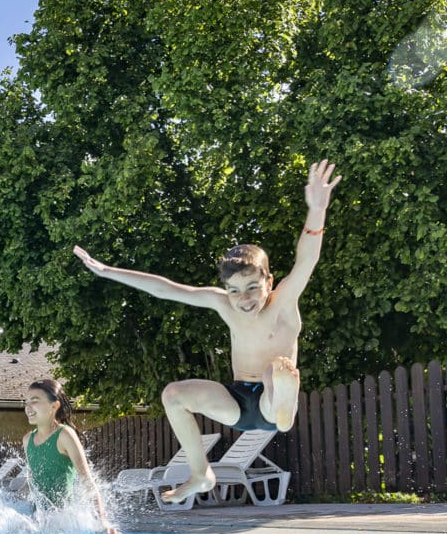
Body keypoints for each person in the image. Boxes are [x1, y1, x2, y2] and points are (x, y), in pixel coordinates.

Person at [73, 159, 340, 504]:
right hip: (238, 401)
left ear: (268, 282)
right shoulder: (223, 304)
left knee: (277, 369)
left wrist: (317, 210)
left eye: (252, 288)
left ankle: (282, 409)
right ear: (225, 289)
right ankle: (201, 474)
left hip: (269, 398)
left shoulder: (284, 300)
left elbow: (307, 259)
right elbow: (167, 289)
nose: (242, 299)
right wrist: (108, 270)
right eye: (234, 290)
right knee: (173, 395)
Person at [22, 378, 121, 534]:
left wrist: (102, 522)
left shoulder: (64, 435)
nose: (28, 407)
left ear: (54, 406)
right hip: (38, 522)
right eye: (26, 402)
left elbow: (87, 480)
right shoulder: (27, 440)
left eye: (35, 401)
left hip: (64, 523)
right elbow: (32, 479)